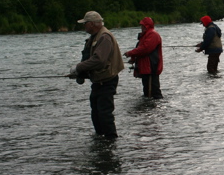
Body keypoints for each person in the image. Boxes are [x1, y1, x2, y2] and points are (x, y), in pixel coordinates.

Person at [69, 11, 124, 139]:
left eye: (85, 24)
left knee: (105, 113)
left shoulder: (104, 37)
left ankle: (111, 140)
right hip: (98, 81)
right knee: (96, 113)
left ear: (92, 24)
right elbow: (92, 60)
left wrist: (78, 67)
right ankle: (101, 139)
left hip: (107, 81)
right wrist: (79, 73)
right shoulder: (95, 37)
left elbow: (99, 60)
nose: (84, 26)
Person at [123, 17, 163, 99]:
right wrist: (133, 58)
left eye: (142, 25)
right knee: (147, 92)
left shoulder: (153, 34)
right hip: (145, 68)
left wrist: (130, 53)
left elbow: (145, 49)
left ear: (147, 26)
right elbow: (140, 48)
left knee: (154, 93)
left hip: (151, 67)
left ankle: (155, 109)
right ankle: (148, 109)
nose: (141, 27)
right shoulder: (145, 35)